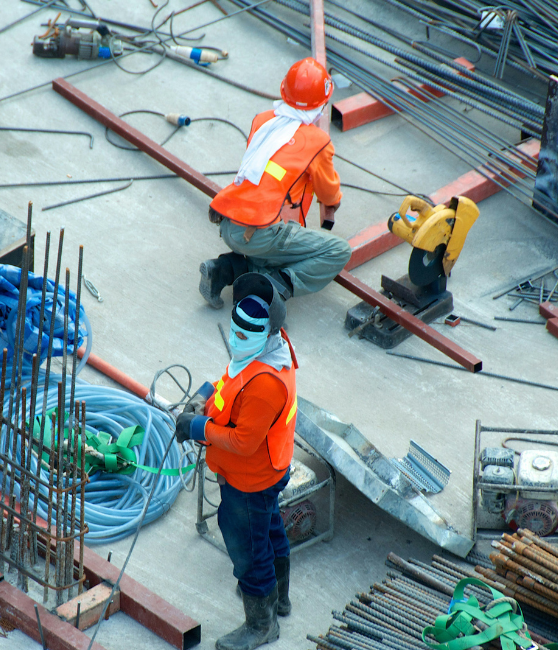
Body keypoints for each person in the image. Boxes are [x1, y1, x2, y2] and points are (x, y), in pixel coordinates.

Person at [175, 273, 298, 650]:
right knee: (270, 529)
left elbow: (244, 442)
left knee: (248, 550)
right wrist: (205, 397)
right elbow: (231, 383)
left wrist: (199, 427)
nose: (237, 339)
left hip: (250, 478)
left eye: (246, 334)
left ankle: (261, 624)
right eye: (235, 330)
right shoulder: (266, 350)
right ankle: (279, 600)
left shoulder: (265, 383)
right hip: (268, 471)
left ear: (268, 330)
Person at [199, 57, 351, 308]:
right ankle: (273, 289)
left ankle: (222, 270)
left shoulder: (263, 120)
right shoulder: (317, 141)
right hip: (260, 232)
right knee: (338, 250)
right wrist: (333, 203)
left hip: (228, 222)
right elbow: (328, 193)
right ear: (322, 104)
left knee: (274, 246)